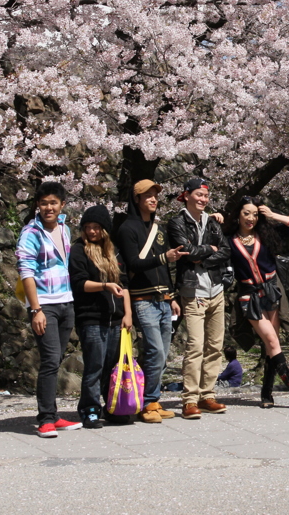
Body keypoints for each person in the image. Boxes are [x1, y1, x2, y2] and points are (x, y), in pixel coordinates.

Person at [224, 195, 289, 409]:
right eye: (246, 213)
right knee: (270, 339)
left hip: (272, 292)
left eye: (254, 214)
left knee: (273, 344)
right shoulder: (229, 240)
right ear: (238, 215)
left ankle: (266, 393)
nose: (250, 218)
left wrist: (272, 215)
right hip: (248, 296)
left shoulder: (266, 234)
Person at [114, 179, 186, 423]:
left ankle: (153, 400)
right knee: (154, 350)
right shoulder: (127, 229)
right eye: (148, 195)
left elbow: (165, 270)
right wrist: (164, 258)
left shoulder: (159, 228)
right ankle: (145, 402)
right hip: (143, 299)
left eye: (156, 195)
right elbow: (133, 263)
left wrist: (172, 296)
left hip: (163, 299)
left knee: (163, 352)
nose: (154, 199)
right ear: (137, 200)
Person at [16, 181, 83, 438]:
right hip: (45, 305)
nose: (48, 207)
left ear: (62, 205)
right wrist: (36, 310)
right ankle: (45, 418)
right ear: (37, 205)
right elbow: (26, 273)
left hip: (66, 301)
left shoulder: (64, 228)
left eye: (53, 202)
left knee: (56, 361)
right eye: (44, 203)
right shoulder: (31, 232)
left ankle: (53, 415)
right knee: (50, 360)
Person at [167, 178, 233, 420]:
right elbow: (186, 252)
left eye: (206, 196)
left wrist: (203, 256)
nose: (203, 199)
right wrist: (209, 250)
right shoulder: (176, 222)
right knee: (195, 346)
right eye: (198, 195)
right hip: (192, 291)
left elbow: (225, 251)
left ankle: (208, 395)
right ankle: (189, 400)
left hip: (216, 289)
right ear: (186, 196)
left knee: (215, 346)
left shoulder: (213, 223)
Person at [69, 205, 132, 428]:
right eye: (88, 227)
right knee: (94, 366)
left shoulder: (112, 252)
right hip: (91, 317)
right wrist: (104, 285)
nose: (92, 231)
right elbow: (79, 283)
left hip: (115, 318)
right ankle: (90, 409)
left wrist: (128, 313)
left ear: (104, 229)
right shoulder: (79, 250)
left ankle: (113, 407)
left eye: (96, 227)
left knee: (112, 366)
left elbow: (124, 284)